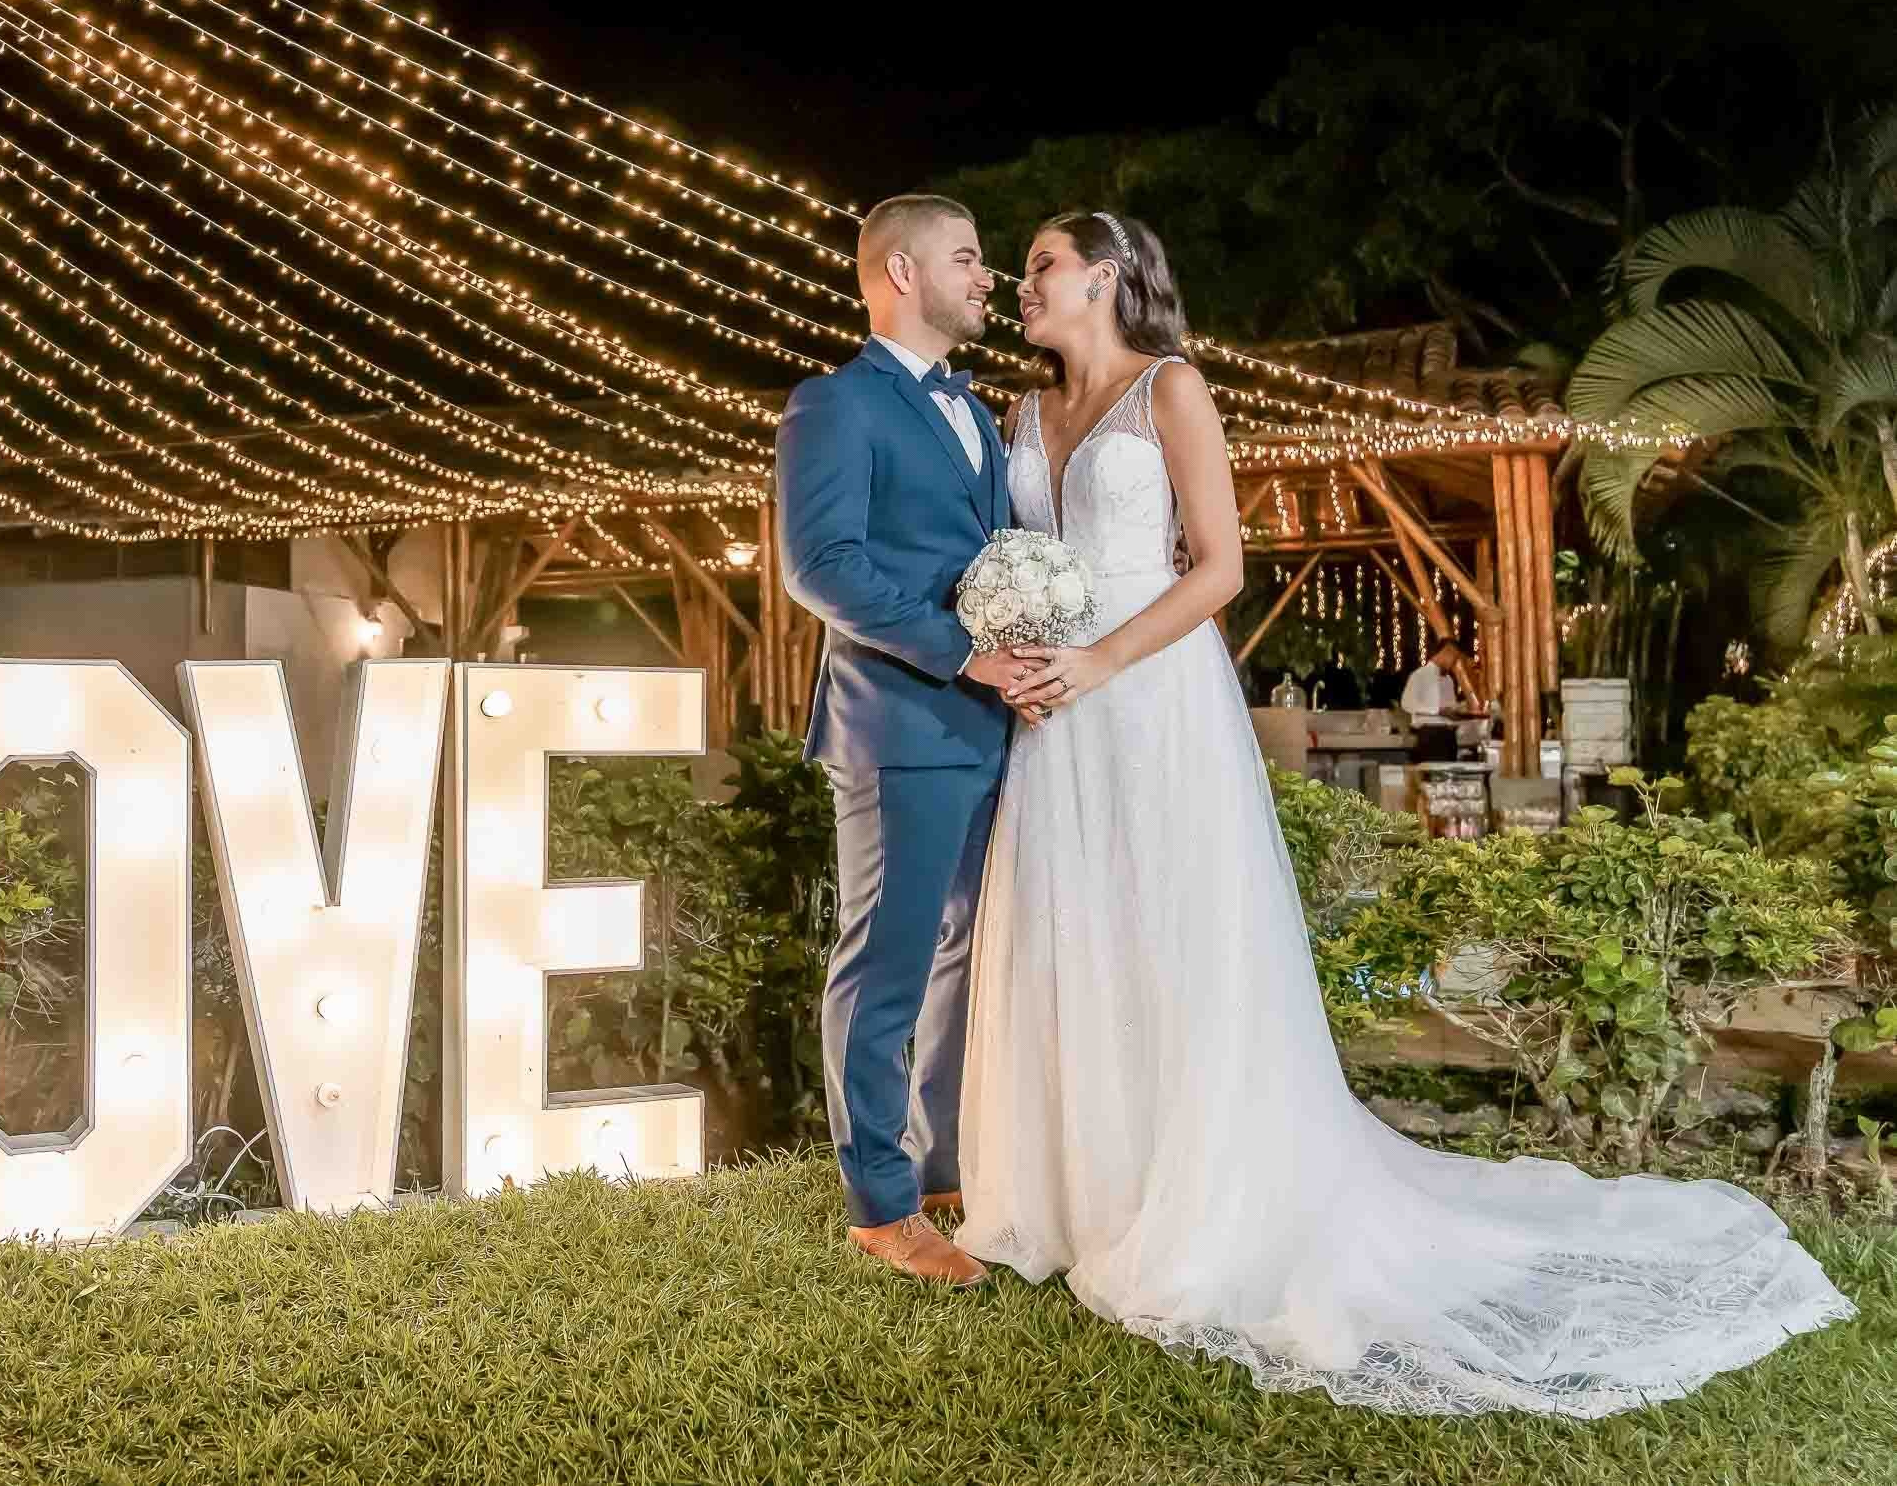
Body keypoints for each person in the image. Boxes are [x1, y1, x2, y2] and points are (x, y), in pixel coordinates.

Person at [954, 209, 1852, 1416]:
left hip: (1146, 693)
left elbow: (1216, 568)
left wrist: (1101, 661)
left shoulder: (1173, 388)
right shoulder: (1021, 413)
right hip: (1050, 709)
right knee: (1075, 931)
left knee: (1171, 931)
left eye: (1045, 265)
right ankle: (1069, 1193)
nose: (1024, 282)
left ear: (1107, 277)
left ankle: (1191, 1201)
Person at [776, 194, 1047, 1288]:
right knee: (884, 962)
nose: (987, 279)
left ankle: (937, 1163)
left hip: (988, 724)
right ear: (899, 271)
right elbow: (821, 566)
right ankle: (880, 1204)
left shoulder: (977, 412)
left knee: (965, 955)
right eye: (968, 258)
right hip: (897, 724)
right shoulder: (834, 404)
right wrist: (964, 653)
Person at [1401, 640, 1480, 761]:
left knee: (1450, 777)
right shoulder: (1419, 675)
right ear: (1446, 652)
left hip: (1449, 737)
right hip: (1430, 736)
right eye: (1454, 658)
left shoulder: (1448, 680)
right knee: (1433, 777)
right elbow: (1407, 704)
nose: (1454, 663)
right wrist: (1437, 711)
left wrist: (1459, 710)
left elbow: (1450, 708)